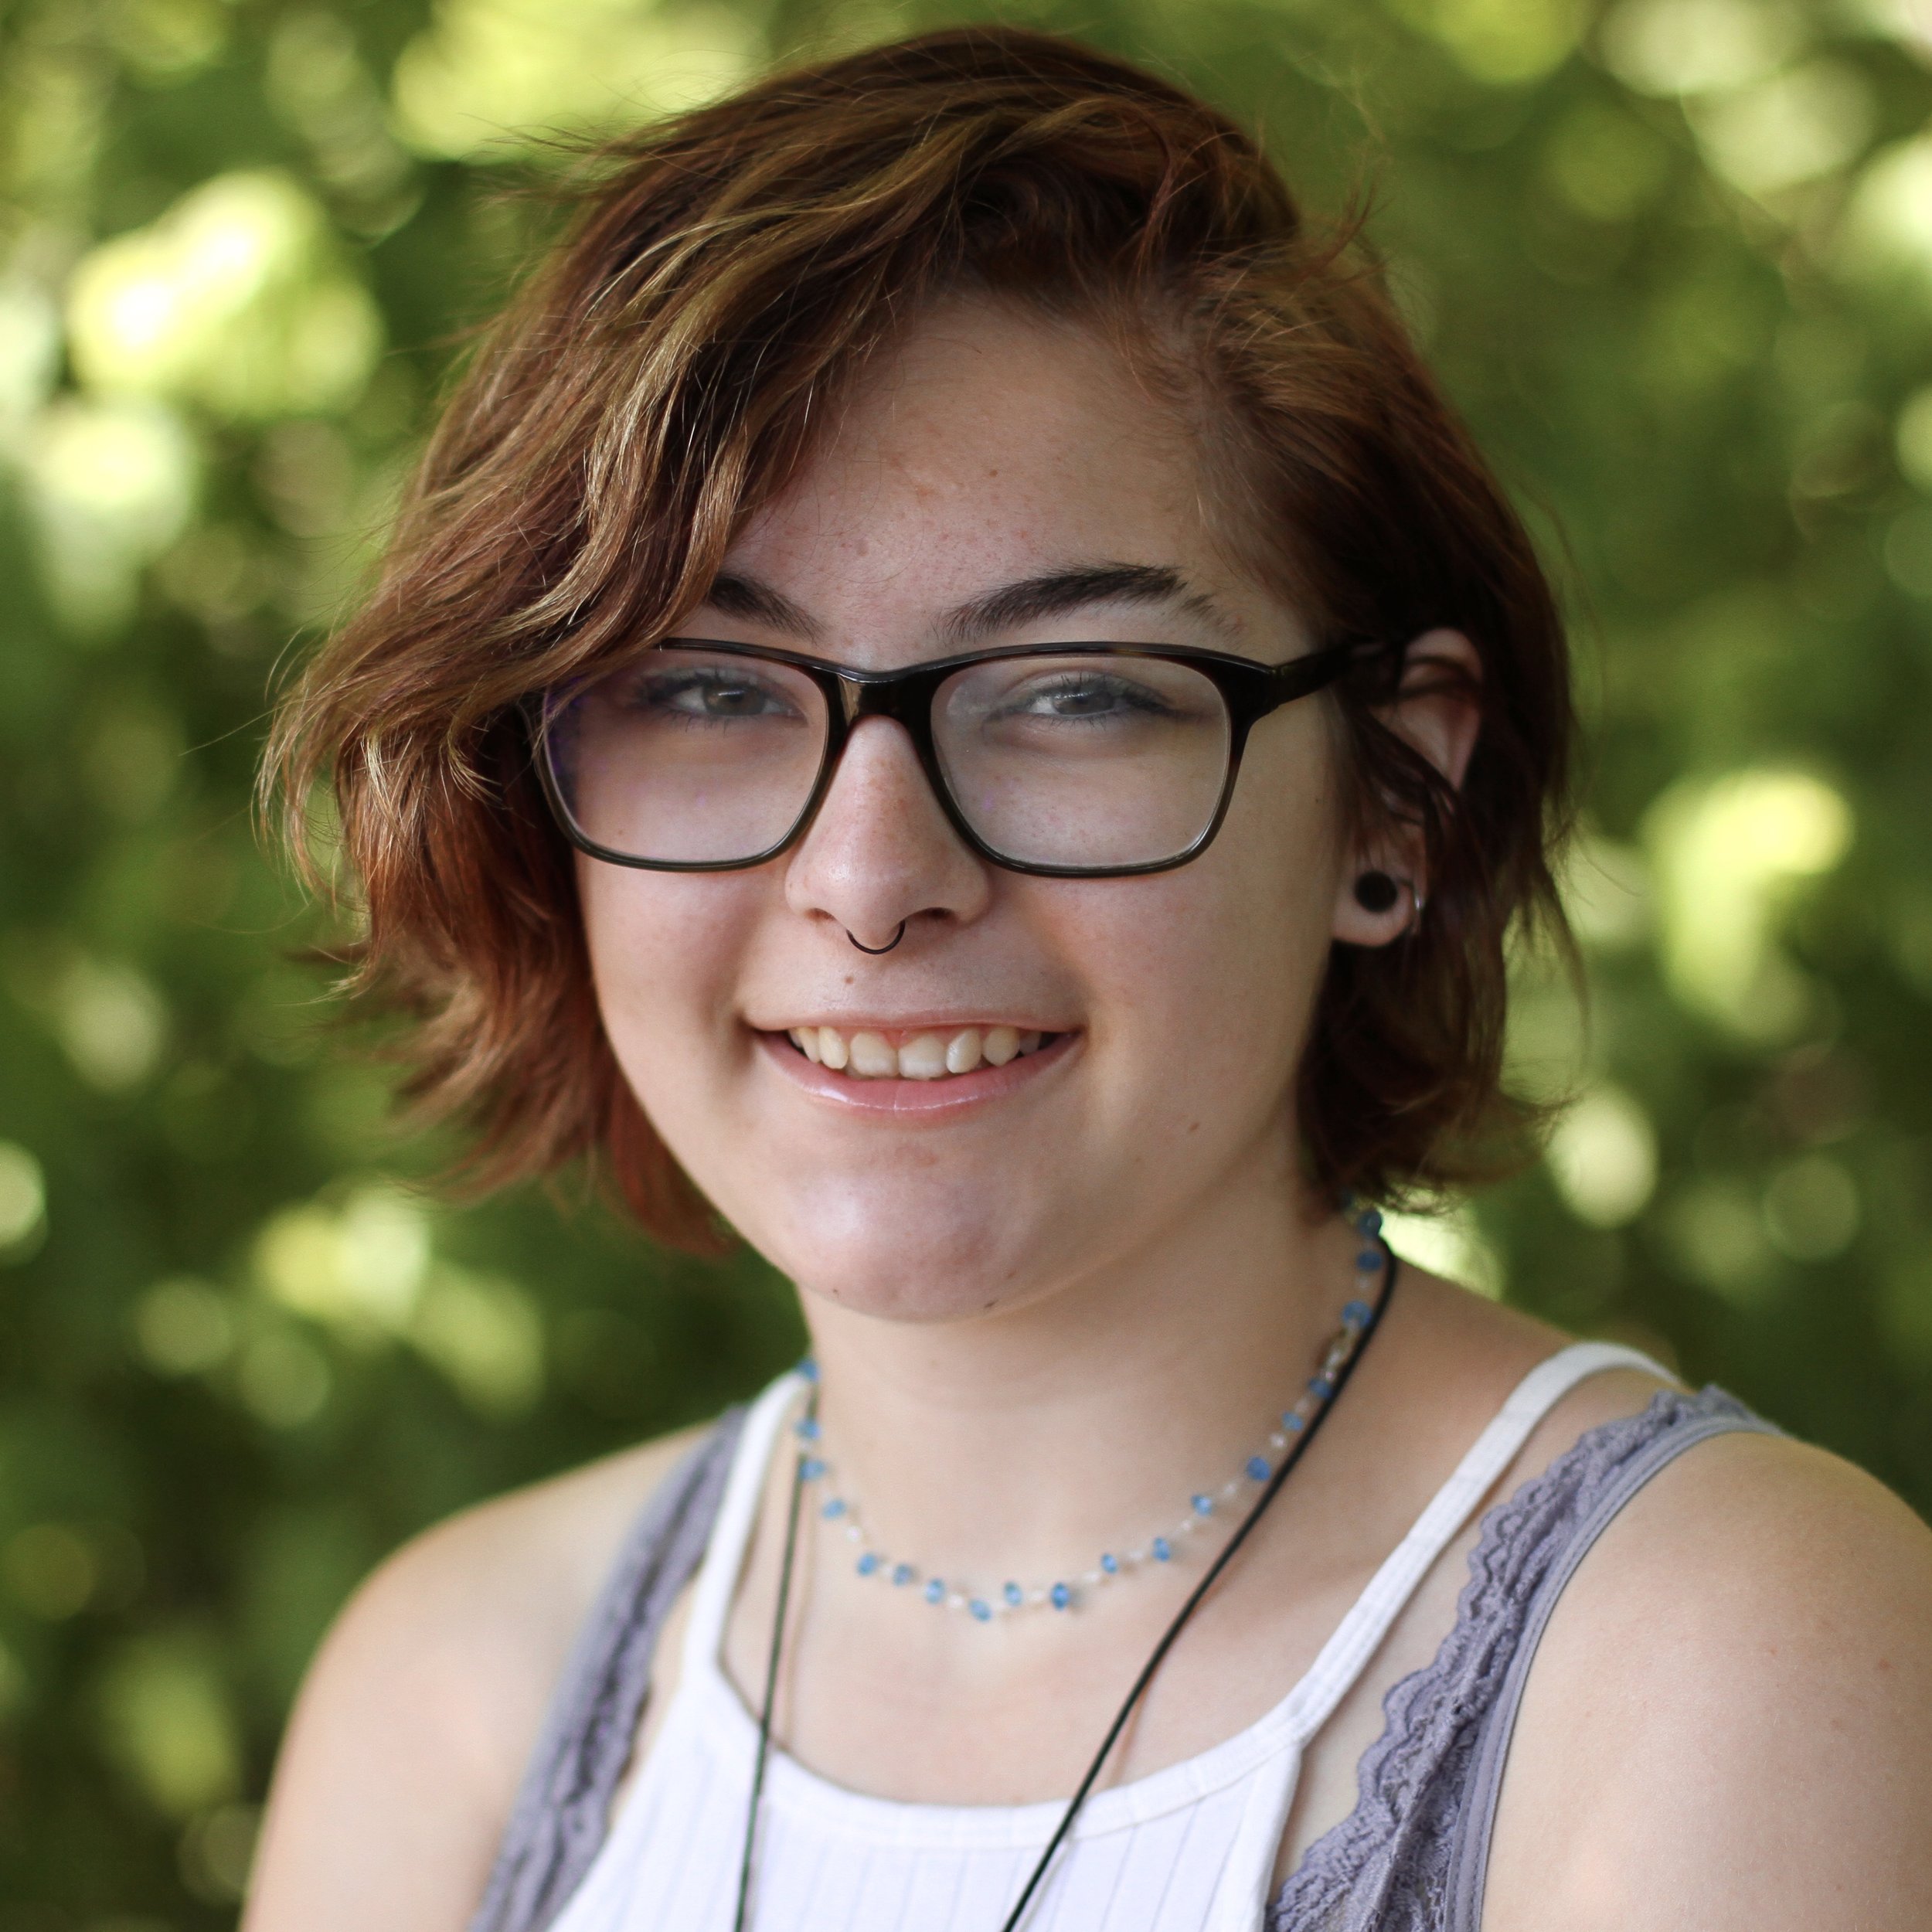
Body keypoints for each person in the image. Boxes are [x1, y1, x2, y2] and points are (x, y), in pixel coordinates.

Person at [245, 27, 1932, 1932]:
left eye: (1075, 694)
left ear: (1396, 793)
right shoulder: (460, 1693)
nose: (870, 880)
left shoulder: (1720, 1660)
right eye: (705, 688)